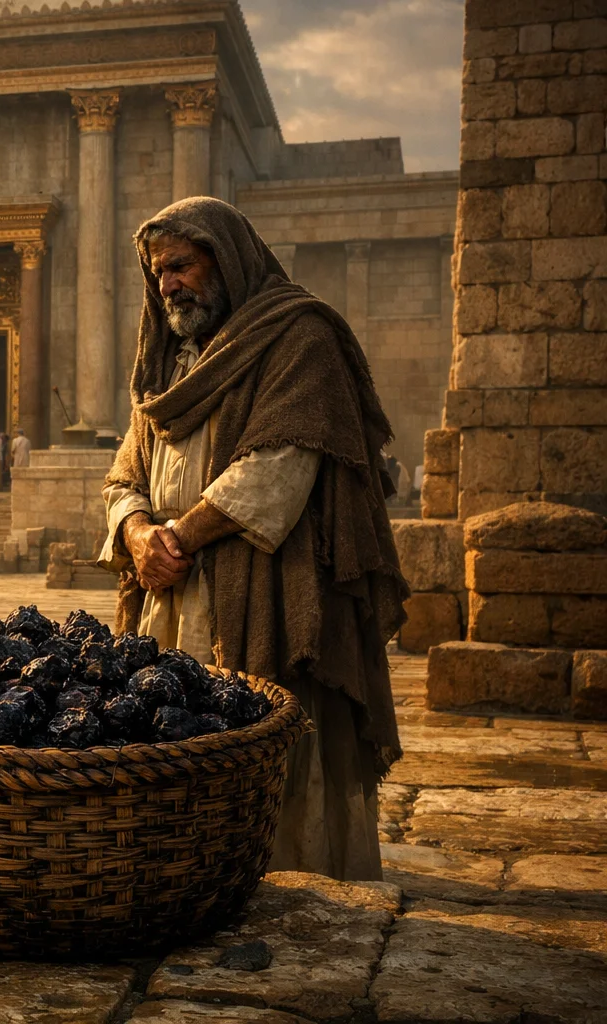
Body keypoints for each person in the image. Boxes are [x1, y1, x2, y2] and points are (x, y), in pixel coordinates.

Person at [99, 196, 405, 882]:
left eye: (181, 265)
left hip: (264, 584)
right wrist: (138, 532)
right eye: (158, 273)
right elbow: (125, 472)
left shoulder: (297, 336)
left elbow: (280, 465)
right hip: (170, 591)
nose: (168, 284)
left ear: (227, 259)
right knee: (172, 742)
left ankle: (287, 875)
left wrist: (178, 538)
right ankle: (188, 877)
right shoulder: (170, 362)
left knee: (270, 737)